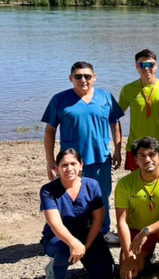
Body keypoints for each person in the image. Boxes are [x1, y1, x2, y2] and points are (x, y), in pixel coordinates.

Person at [42, 61, 124, 244]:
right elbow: (49, 131)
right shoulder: (59, 100)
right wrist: (50, 161)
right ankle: (67, 232)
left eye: (87, 76)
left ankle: (103, 230)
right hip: (71, 160)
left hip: (99, 156)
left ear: (94, 77)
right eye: (78, 76)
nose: (83, 80)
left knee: (101, 195)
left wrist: (118, 150)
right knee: (68, 195)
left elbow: (115, 123)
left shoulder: (105, 97)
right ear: (71, 78)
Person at [39, 149, 115, 279]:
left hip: (88, 234)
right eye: (64, 165)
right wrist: (74, 243)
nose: (69, 169)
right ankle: (54, 273)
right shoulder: (48, 190)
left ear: (81, 165)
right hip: (58, 238)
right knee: (65, 249)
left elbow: (98, 218)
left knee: (105, 275)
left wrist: (86, 246)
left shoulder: (91, 185)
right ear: (57, 168)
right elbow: (55, 223)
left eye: (73, 164)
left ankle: (86, 259)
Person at [115, 137, 159, 279]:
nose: (147, 160)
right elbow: (121, 222)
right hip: (136, 234)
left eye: (152, 154)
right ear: (135, 160)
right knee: (129, 275)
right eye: (142, 156)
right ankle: (146, 255)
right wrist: (128, 257)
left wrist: (147, 230)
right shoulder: (124, 184)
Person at [118, 49, 159, 171]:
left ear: (156, 66)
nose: (146, 68)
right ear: (137, 67)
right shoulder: (128, 89)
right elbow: (115, 116)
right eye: (142, 65)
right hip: (137, 145)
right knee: (138, 183)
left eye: (150, 65)